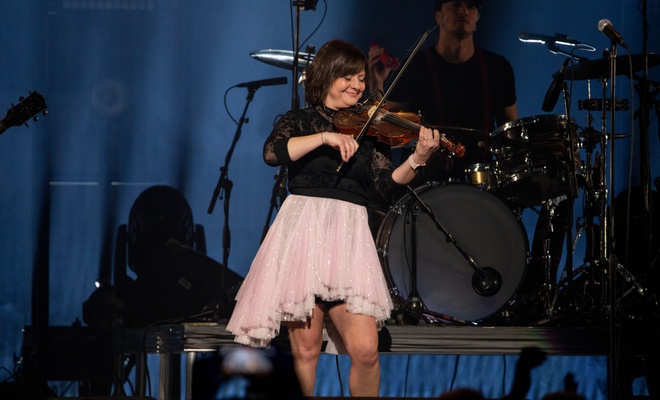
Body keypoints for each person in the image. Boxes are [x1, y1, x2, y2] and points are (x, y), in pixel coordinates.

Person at [226, 39, 442, 397]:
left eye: (361, 77)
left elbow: (384, 188)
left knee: (366, 352)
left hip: (349, 240)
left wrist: (418, 158)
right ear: (327, 75)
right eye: (349, 76)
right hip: (303, 235)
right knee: (307, 351)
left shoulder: (370, 130)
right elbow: (272, 153)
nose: (358, 85)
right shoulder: (299, 121)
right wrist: (324, 136)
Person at [369, 0, 518, 185]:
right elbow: (383, 121)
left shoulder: (497, 67)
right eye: (455, 4)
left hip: (480, 180)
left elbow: (510, 129)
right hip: (425, 180)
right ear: (438, 16)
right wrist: (377, 83)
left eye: (471, 6)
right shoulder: (416, 64)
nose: (463, 10)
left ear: (477, 18)